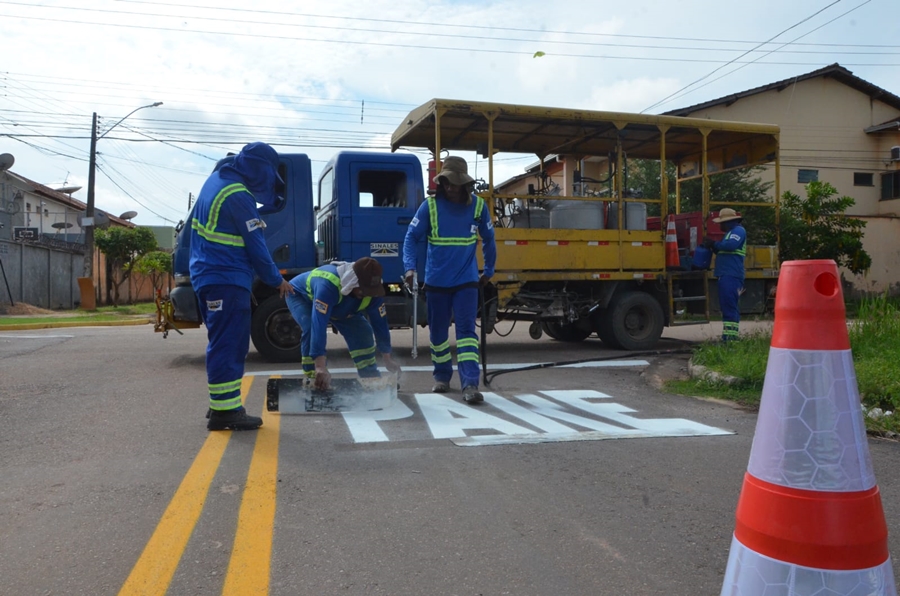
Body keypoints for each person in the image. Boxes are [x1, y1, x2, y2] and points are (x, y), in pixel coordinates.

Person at [190, 142, 294, 431]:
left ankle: (220, 405)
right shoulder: (238, 194)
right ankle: (227, 413)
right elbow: (256, 246)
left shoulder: (218, 180)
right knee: (230, 344)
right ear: (260, 169)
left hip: (209, 275)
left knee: (221, 342)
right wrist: (276, 280)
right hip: (225, 277)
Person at [402, 155, 496, 404]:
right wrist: (410, 268)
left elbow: (489, 238)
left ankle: (470, 384)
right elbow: (411, 237)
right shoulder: (429, 207)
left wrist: (489, 270)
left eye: (455, 183)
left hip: (466, 282)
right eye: (447, 183)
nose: (450, 188)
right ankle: (442, 377)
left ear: (465, 184)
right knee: (438, 334)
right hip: (436, 283)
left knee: (466, 333)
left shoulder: (478, 207)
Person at [286, 257, 400, 390]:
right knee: (310, 328)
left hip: (339, 305)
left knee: (363, 331)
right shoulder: (328, 285)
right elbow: (319, 325)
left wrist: (387, 357)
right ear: (353, 282)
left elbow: (380, 323)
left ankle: (370, 376)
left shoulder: (373, 291)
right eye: (364, 290)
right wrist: (320, 366)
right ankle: (314, 378)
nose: (368, 294)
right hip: (300, 296)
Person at [703, 208, 746, 342]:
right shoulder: (730, 233)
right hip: (726, 274)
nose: (719, 225)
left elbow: (730, 246)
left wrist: (714, 244)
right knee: (727, 306)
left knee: (730, 307)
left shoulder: (738, 231)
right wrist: (713, 246)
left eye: (721, 223)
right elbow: (724, 250)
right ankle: (729, 337)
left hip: (731, 275)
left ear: (728, 222)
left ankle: (730, 339)